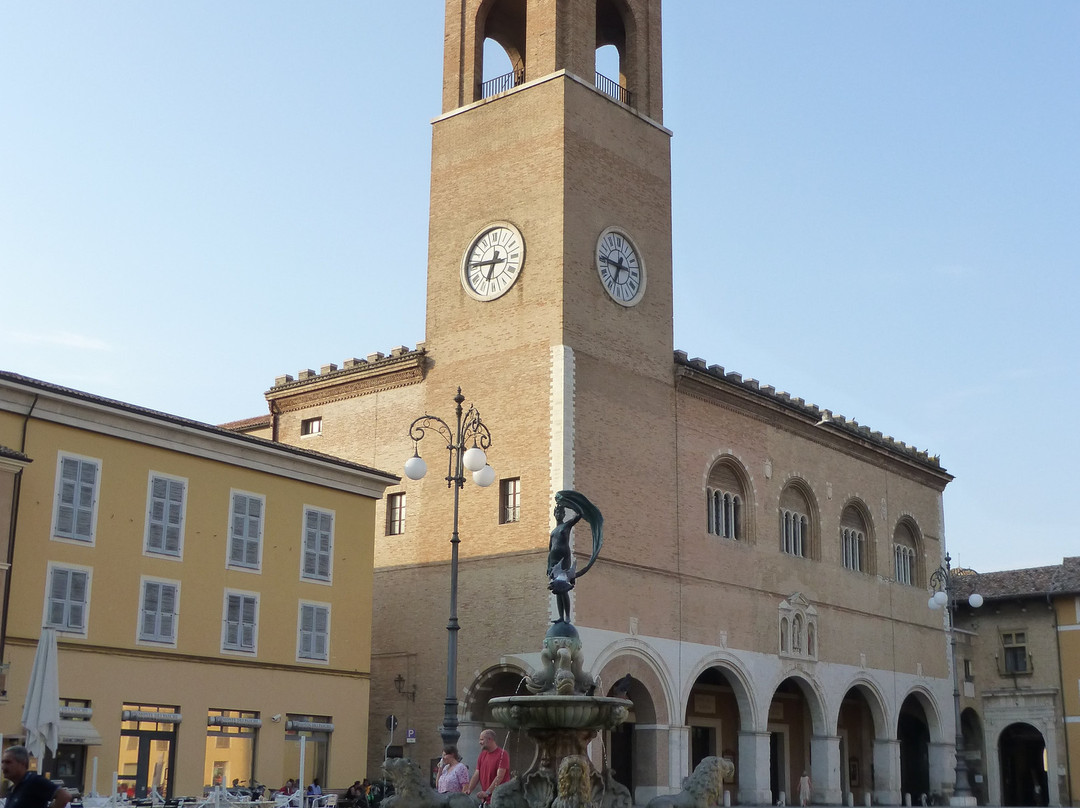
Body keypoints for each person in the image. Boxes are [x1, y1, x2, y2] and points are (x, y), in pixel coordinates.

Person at [1, 746, 72, 808]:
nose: (3, 767)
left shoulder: (34, 781)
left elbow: (64, 796)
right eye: (2, 762)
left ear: (23, 763)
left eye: (8, 762)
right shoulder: (12, 789)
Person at [464, 730, 508, 804]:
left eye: (481, 739)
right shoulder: (482, 755)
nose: (479, 742)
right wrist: (469, 790)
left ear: (490, 739)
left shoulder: (503, 754)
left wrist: (487, 792)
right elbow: (477, 774)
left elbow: (499, 776)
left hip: (499, 799)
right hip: (486, 800)